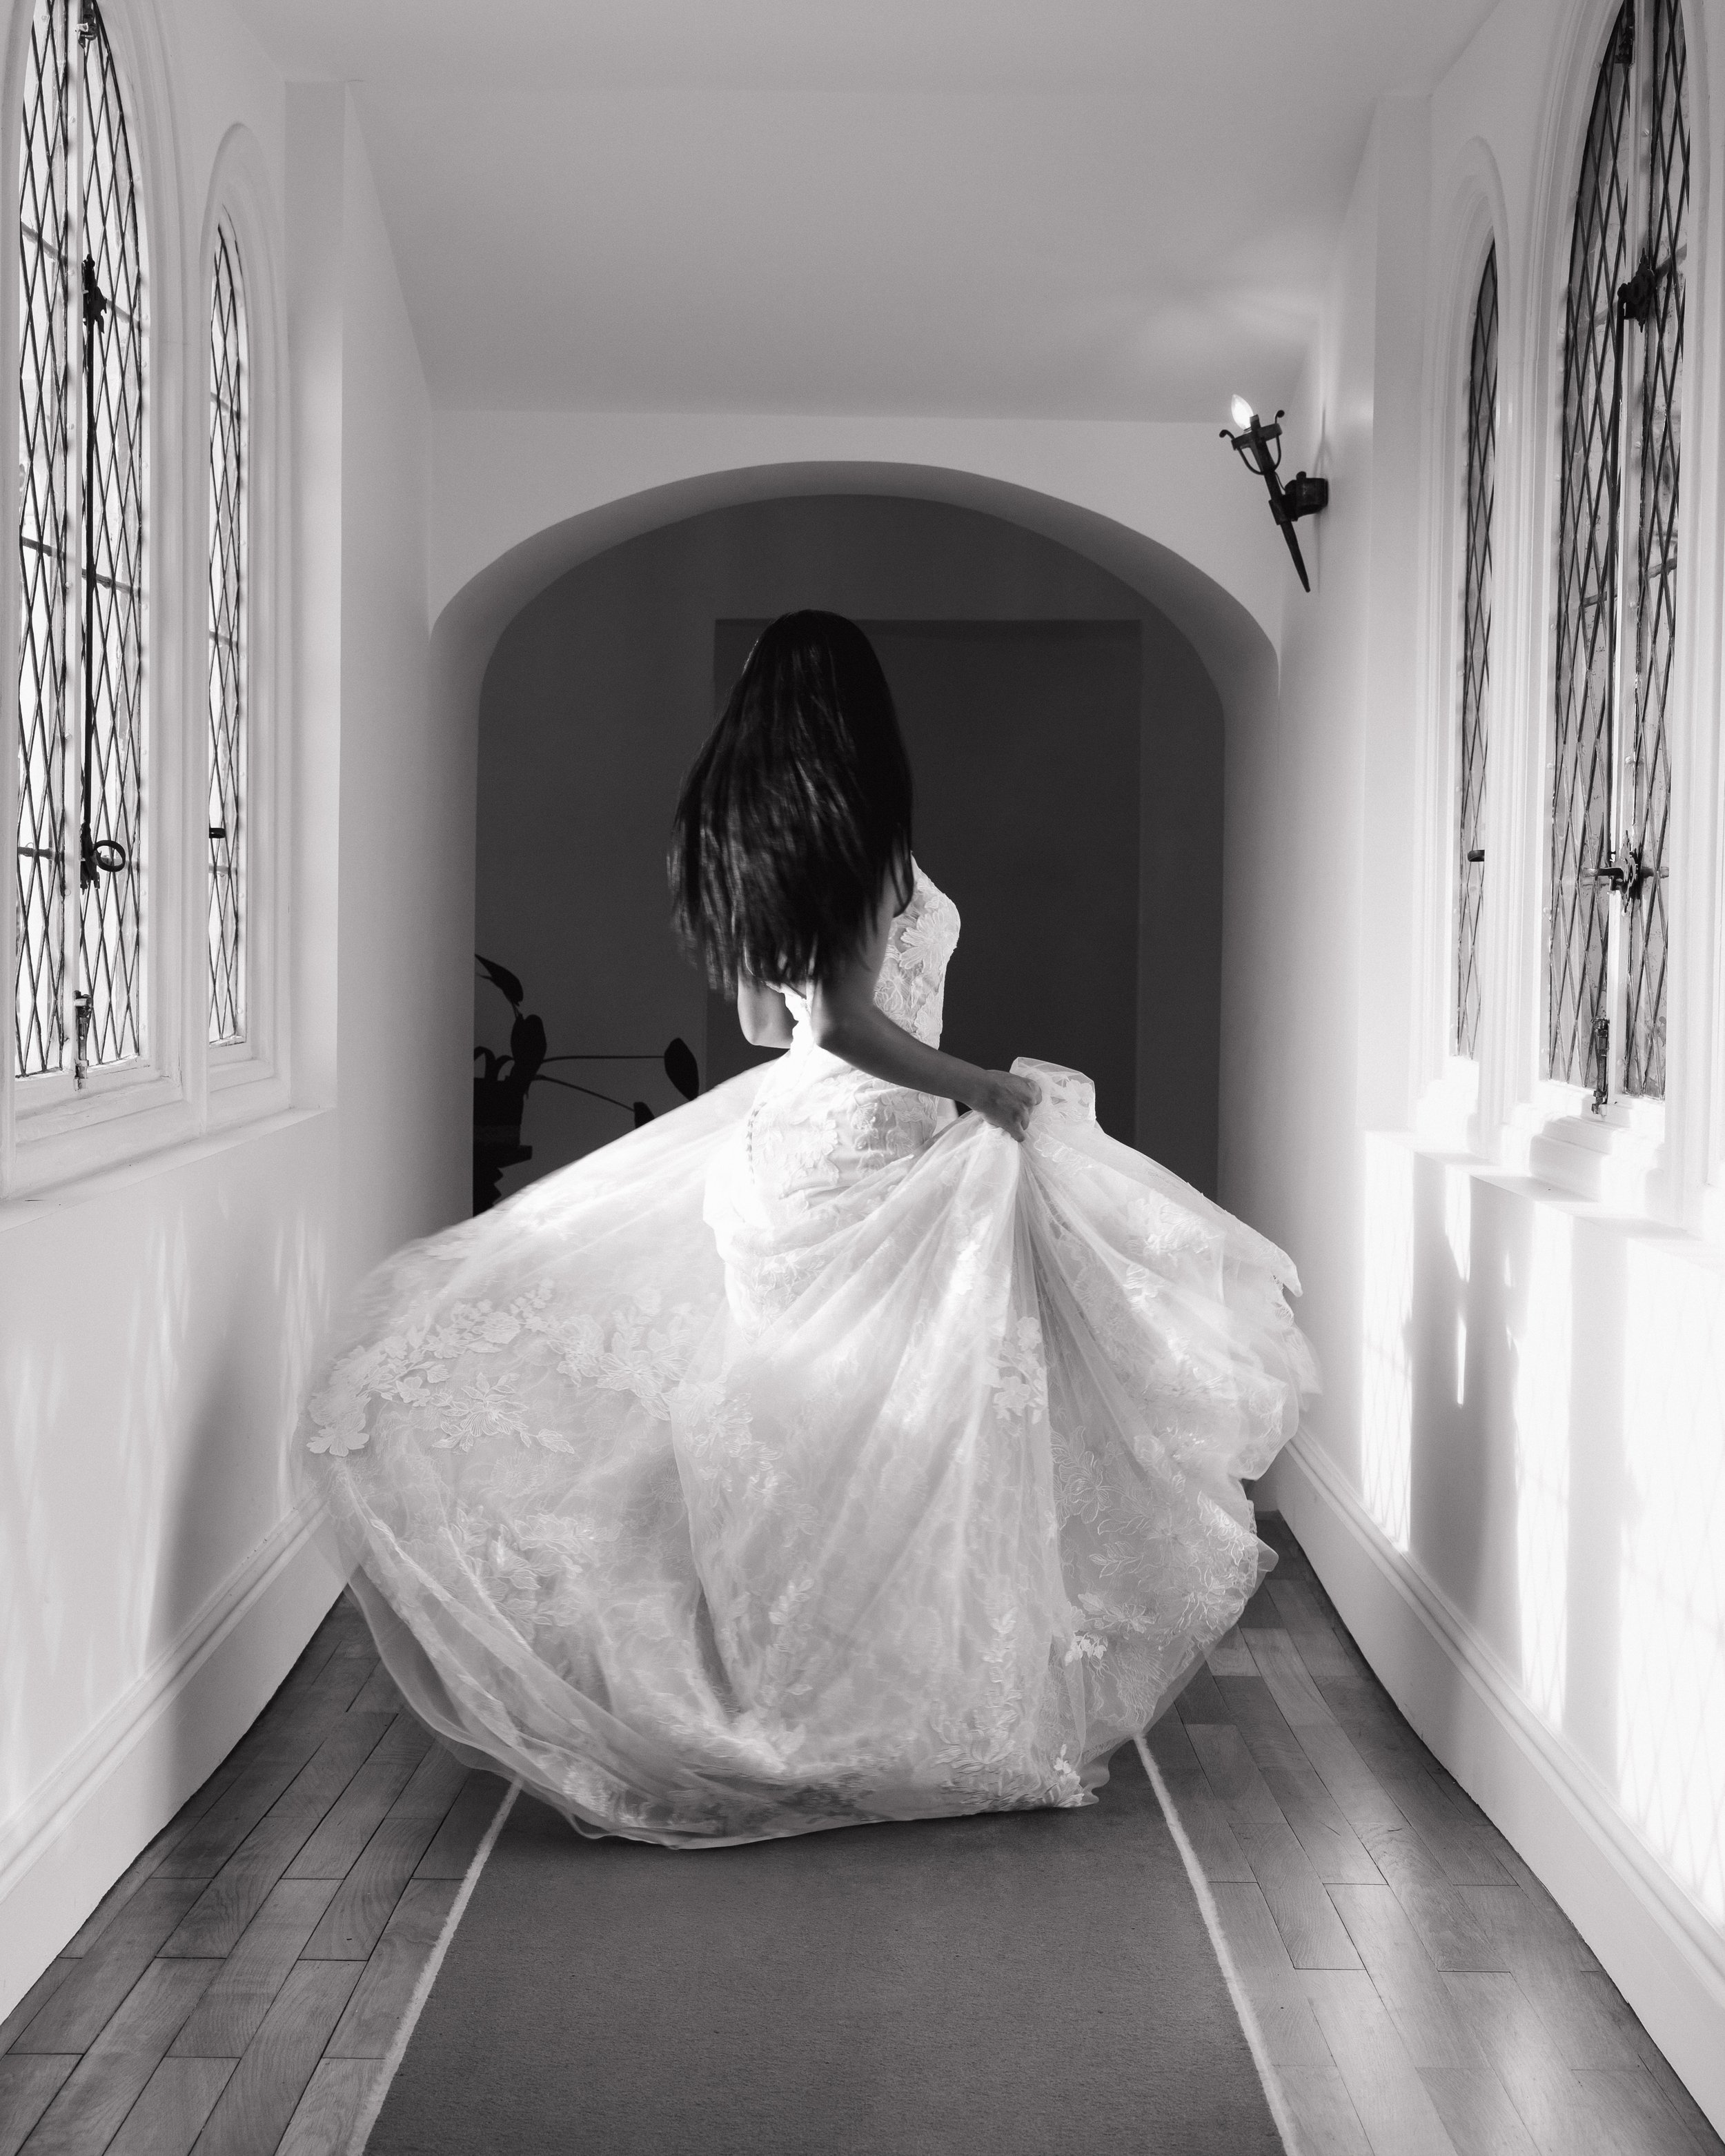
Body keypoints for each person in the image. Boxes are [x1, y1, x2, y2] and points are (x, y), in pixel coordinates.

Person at [296, 610, 1317, 1848]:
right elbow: (835, 1025)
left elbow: (764, 1027)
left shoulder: (747, 840)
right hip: (873, 1150)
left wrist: (902, 1055)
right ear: (856, 713)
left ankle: (800, 1683)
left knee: (809, 1431)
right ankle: (861, 1703)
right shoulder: (861, 833)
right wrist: (977, 1085)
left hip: (790, 1153)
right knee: (894, 1436)